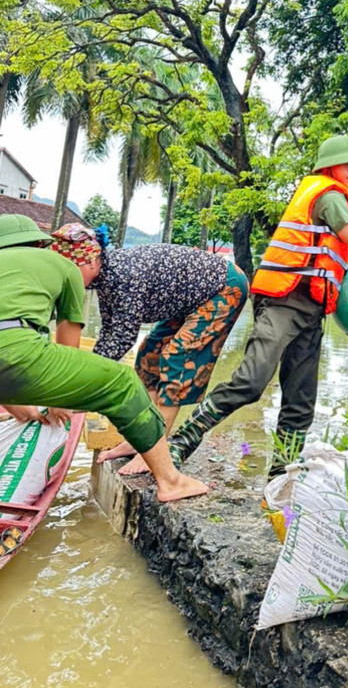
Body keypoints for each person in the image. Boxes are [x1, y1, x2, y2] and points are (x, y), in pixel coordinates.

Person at [167, 136, 348, 475]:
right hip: (283, 302)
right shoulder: (328, 196)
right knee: (252, 381)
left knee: (300, 403)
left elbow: (332, 269)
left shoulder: (336, 199)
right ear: (330, 166)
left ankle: (279, 477)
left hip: (312, 310)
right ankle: (181, 442)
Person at [0, 214, 206, 502]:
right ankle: (171, 482)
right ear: (38, 243)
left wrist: (15, 405)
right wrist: (56, 400)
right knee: (121, 382)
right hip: (15, 349)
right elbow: (67, 347)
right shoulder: (61, 266)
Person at [50, 224, 249, 477]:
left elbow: (121, 339)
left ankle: (156, 451)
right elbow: (110, 331)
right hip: (188, 298)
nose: (66, 280)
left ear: (90, 261)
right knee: (148, 357)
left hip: (223, 288)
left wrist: (78, 390)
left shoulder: (123, 276)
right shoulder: (106, 277)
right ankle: (140, 439)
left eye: (69, 271)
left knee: (179, 358)